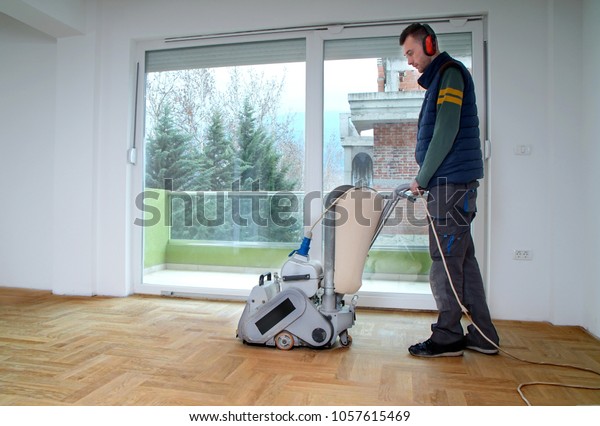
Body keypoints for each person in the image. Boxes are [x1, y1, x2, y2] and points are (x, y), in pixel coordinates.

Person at [399, 23, 500, 357]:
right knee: (462, 261)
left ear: (429, 44)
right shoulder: (441, 79)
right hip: (456, 186)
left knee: (443, 262)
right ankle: (484, 336)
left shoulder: (450, 74)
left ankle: (447, 336)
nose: (410, 61)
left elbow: (446, 129)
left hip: (449, 186)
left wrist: (423, 178)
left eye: (411, 52)